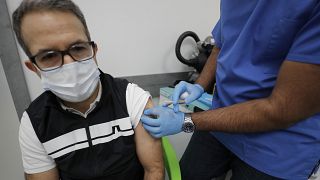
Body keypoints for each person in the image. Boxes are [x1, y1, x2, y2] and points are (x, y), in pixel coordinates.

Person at [141, 1, 320, 179]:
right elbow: (221, 45)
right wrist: (199, 85)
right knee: (189, 173)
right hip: (220, 119)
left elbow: (281, 110)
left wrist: (184, 122)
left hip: (279, 145)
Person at [12, 0, 164, 179]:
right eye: (49, 56)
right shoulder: (34, 124)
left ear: (93, 50)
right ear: (34, 67)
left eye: (78, 48)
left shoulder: (132, 98)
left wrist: (187, 122)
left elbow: (153, 171)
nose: (70, 63)